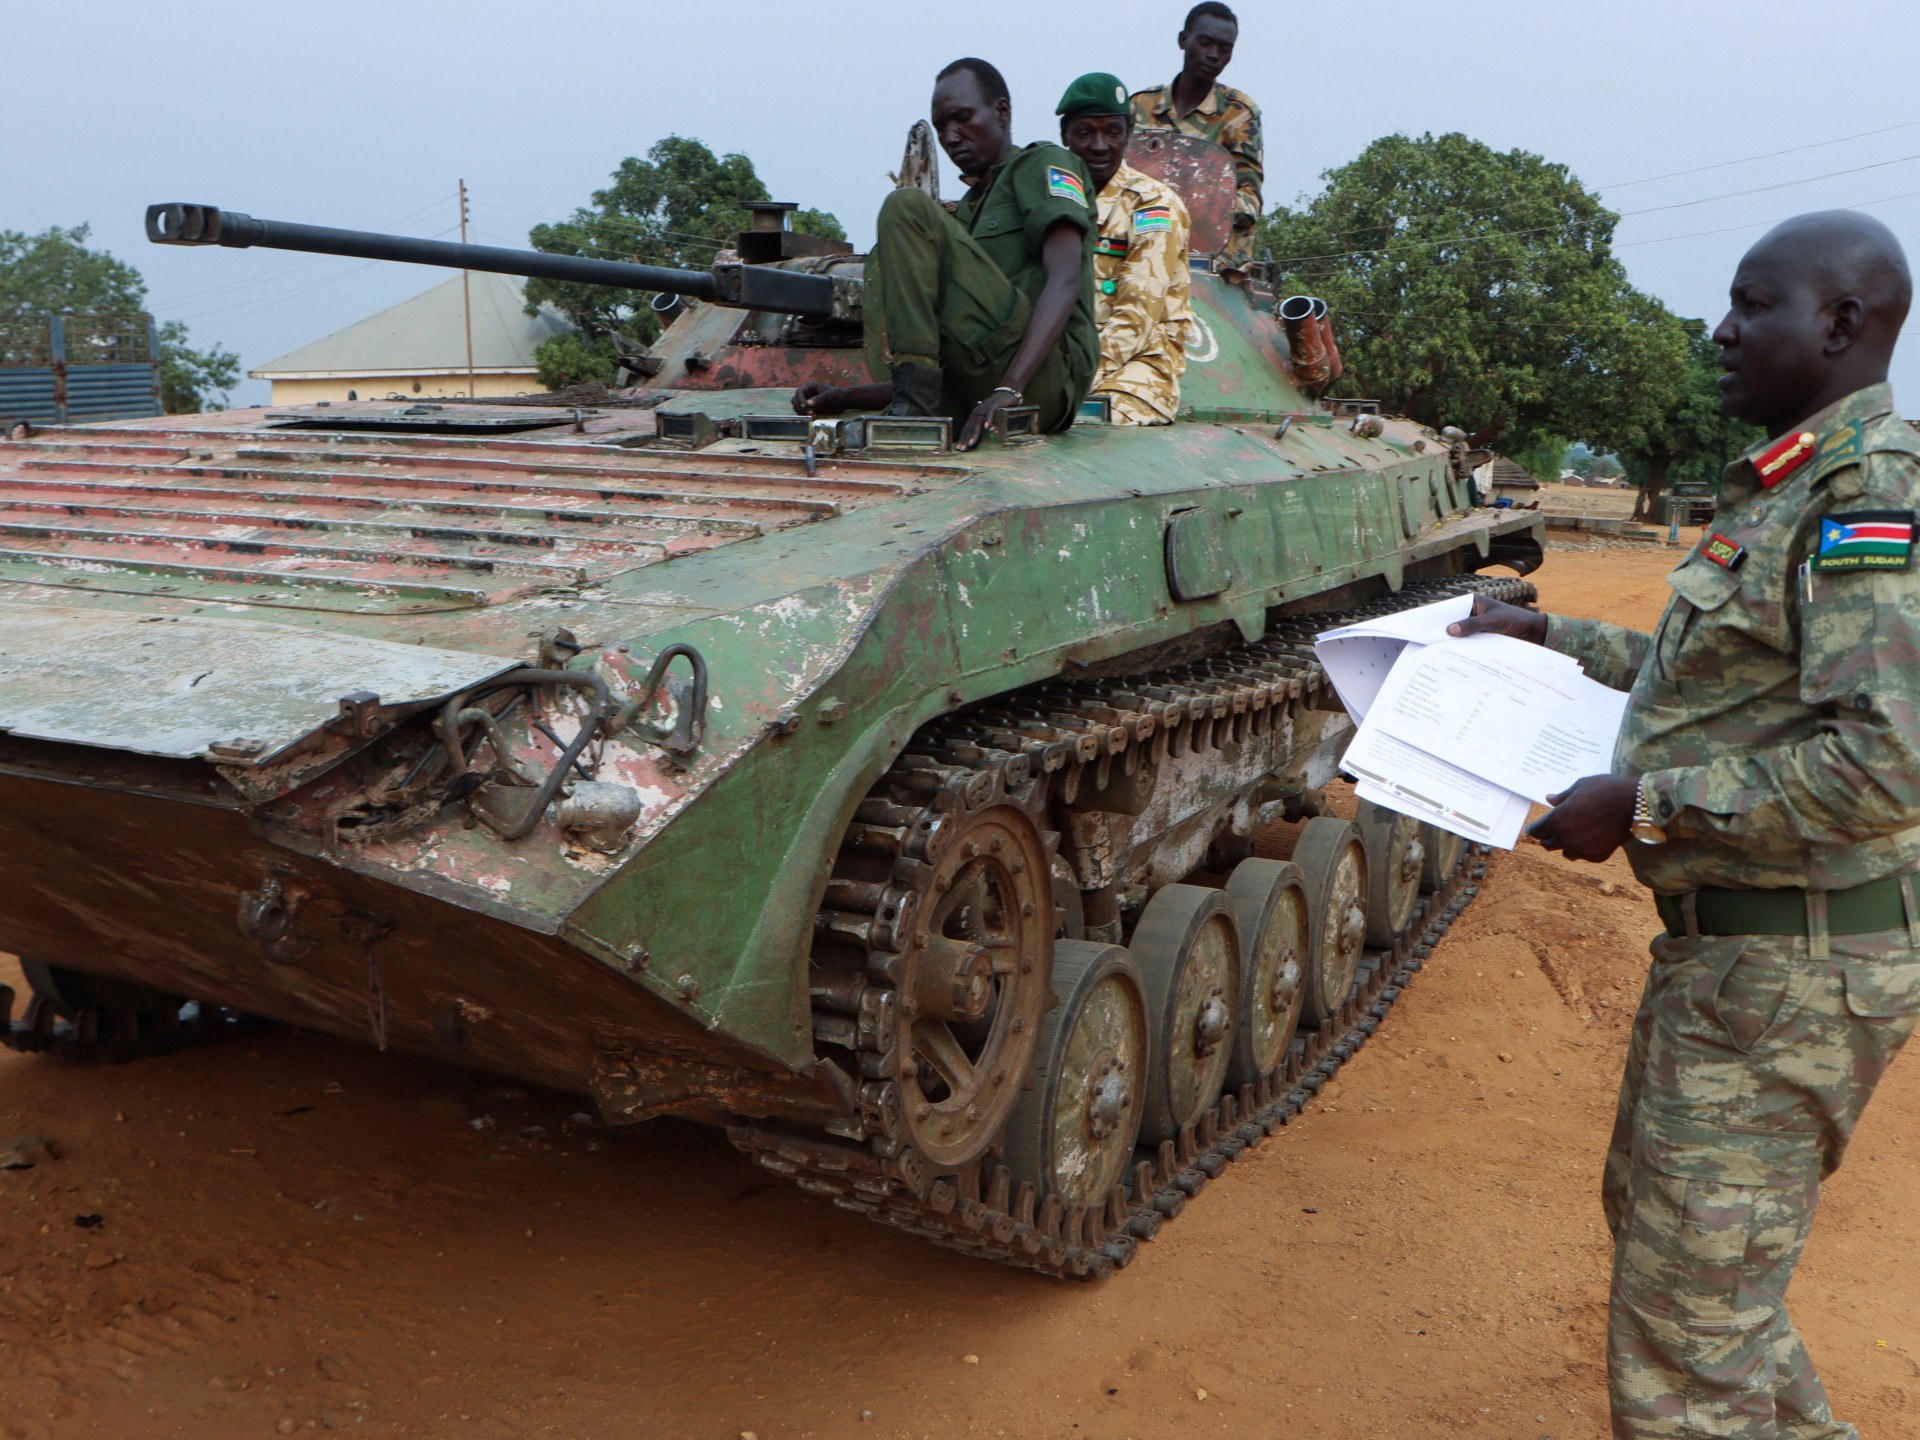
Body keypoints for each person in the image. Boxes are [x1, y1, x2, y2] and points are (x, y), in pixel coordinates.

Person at [1452, 210, 1920, 1438]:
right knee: (1698, 1288)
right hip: (1746, 962)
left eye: (1752, 305)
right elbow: (1715, 678)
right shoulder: (1790, 486)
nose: (1720, 330)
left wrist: (1647, 803)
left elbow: (1885, 765)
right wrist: (1551, 636)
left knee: (1690, 1348)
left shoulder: (1866, 496)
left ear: (1841, 323)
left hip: (1792, 970)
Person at [793, 58, 1097, 451]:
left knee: (905, 206)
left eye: (962, 118)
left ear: (1001, 112)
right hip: (989, 382)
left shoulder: (1043, 164)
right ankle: (911, 411)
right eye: (941, 127)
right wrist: (843, 397)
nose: (951, 137)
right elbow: (947, 366)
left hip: (1045, 379)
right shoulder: (967, 212)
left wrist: (1011, 388)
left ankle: (914, 414)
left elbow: (1066, 279)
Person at [1056, 72, 1193, 426]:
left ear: (1128, 134)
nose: (1100, 146)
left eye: (1113, 133)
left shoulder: (1153, 205)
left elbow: (1135, 317)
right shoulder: (1053, 199)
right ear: (1064, 135)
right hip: (1061, 364)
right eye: (1085, 133)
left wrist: (1063, 384)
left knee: (1083, 432)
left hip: (1138, 372)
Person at [1129, 2, 1262, 282]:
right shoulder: (1140, 106)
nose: (1213, 55)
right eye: (1205, 43)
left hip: (1212, 261)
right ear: (1183, 40)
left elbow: (1250, 197)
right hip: (1140, 242)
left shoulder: (1238, 115)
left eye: (1224, 49)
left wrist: (1204, 201)